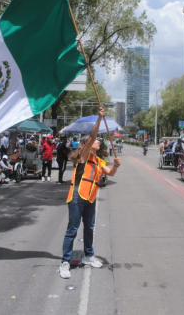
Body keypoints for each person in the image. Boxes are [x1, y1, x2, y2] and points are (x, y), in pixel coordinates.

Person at [59, 108, 122, 279]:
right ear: (88, 143)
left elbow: (109, 173)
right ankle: (65, 262)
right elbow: (93, 136)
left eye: (99, 140)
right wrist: (100, 119)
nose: (99, 142)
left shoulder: (98, 160)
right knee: (72, 229)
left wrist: (116, 165)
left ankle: (88, 256)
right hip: (78, 196)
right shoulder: (83, 156)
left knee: (90, 228)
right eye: (95, 141)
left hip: (91, 197)